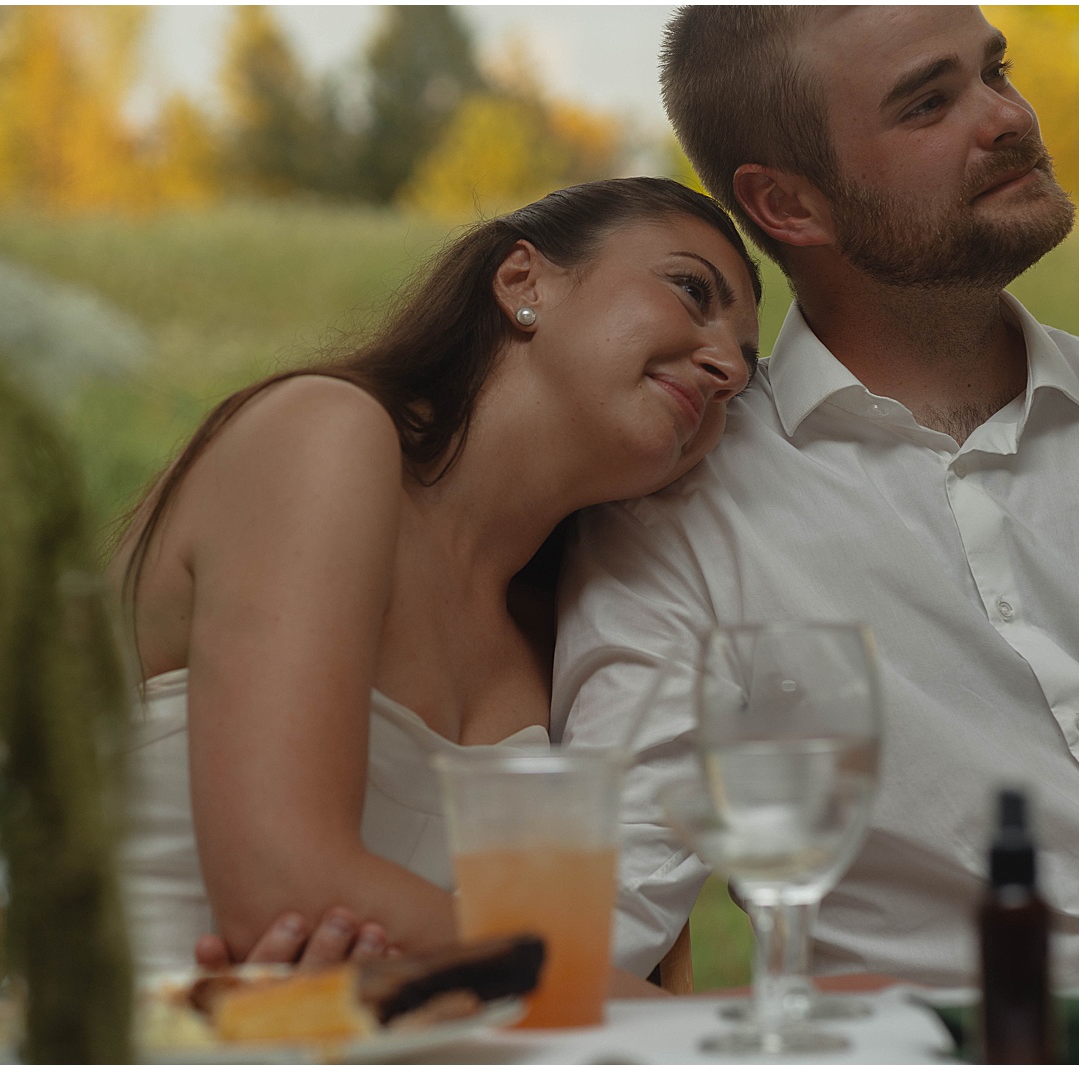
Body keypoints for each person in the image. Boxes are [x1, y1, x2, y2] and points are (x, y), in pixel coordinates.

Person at [554, 6, 1079, 993]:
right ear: (788, 204)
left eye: (996, 70)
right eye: (929, 103)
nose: (1009, 117)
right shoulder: (682, 522)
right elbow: (603, 899)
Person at [110, 177, 761, 984]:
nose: (728, 366)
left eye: (748, 362)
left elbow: (633, 945)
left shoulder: (574, 625)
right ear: (524, 282)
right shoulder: (320, 434)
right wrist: (672, 1023)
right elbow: (284, 890)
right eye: (692, 291)